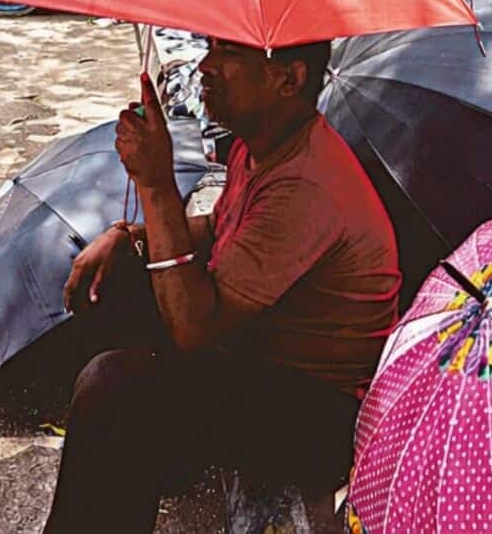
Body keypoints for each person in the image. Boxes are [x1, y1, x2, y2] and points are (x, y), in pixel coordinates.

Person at [46, 38, 401, 534]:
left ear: (289, 79)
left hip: (315, 409)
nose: (205, 67)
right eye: (210, 48)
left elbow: (194, 326)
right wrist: (127, 237)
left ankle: (138, 466)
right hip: (259, 346)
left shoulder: (304, 187)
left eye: (229, 54)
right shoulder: (261, 143)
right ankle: (145, 469)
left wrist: (155, 184)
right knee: (113, 280)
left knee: (114, 391)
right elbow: (218, 227)